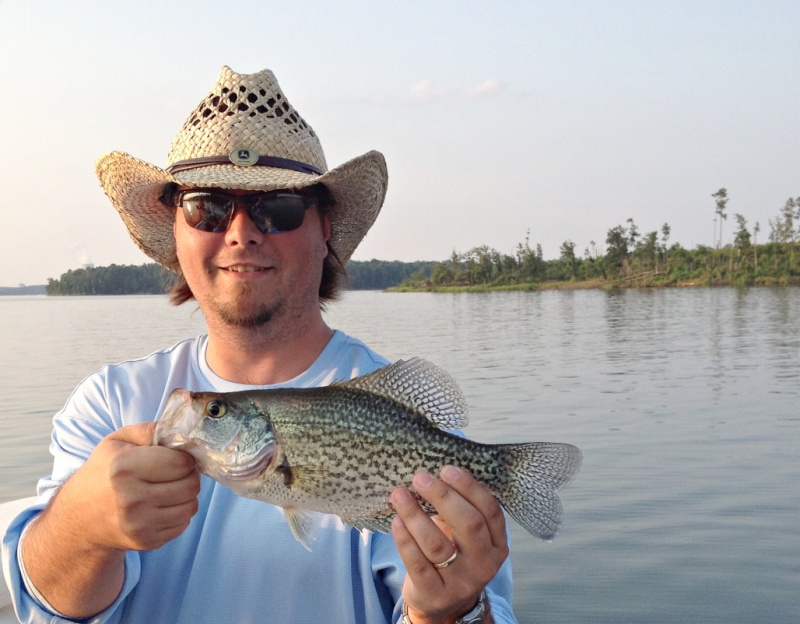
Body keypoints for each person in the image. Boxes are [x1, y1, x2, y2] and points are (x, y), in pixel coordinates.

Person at [1, 66, 516, 624]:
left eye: (279, 207)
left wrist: (449, 610)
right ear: (175, 227)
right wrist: (82, 525)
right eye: (207, 207)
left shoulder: (408, 429)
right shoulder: (108, 404)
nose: (242, 232)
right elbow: (46, 611)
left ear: (325, 229)